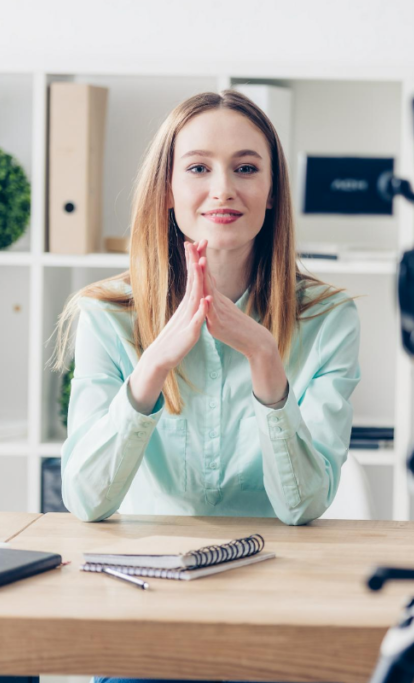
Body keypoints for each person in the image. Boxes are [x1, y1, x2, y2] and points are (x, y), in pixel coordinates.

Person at [54, 90, 360, 526]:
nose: (223, 190)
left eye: (246, 169)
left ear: (272, 192)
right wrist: (155, 362)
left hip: (281, 576)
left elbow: (303, 508)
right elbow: (86, 502)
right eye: (198, 168)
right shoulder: (105, 315)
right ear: (167, 190)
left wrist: (264, 358)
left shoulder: (330, 318)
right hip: (150, 577)